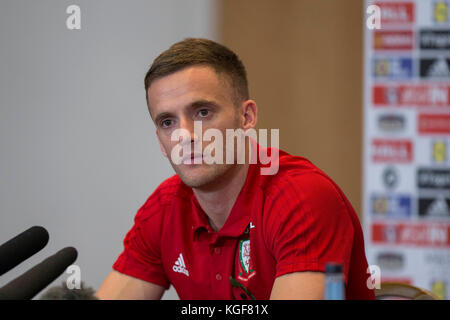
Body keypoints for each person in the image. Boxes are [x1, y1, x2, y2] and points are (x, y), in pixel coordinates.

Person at [95, 38, 375, 300]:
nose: (185, 135)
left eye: (202, 112)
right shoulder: (165, 208)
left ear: (247, 117)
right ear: (160, 140)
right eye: (167, 122)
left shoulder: (301, 198)